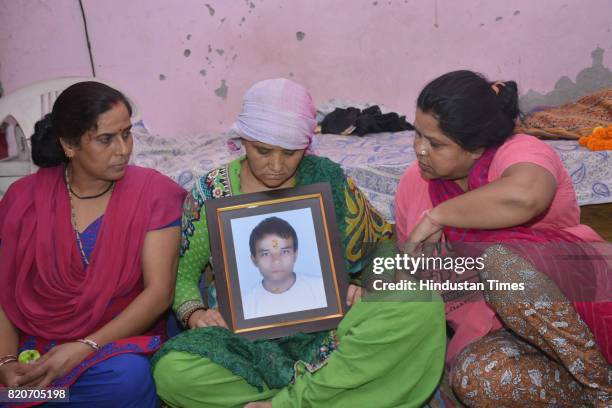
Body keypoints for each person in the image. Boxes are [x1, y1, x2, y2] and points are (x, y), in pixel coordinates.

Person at [152, 78, 446, 407]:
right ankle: (327, 392)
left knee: (421, 305)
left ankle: (291, 400)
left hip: (331, 332)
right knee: (172, 373)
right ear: (243, 139)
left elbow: (381, 246)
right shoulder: (211, 191)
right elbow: (182, 275)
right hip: (244, 343)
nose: (276, 166)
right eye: (262, 150)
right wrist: (196, 314)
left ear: (306, 146)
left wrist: (369, 287)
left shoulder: (327, 180)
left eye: (290, 153)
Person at [394, 70, 612, 406]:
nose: (419, 150)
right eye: (417, 134)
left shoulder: (521, 153)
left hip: (578, 307)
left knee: (500, 264)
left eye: (435, 143)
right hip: (504, 334)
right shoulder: (414, 183)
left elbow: (525, 197)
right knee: (474, 378)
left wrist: (440, 215)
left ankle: (603, 389)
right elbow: (409, 279)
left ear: (476, 146)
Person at [0, 82, 186, 407]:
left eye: (126, 134)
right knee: (16, 391)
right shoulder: (23, 200)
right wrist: (6, 363)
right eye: (106, 139)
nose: (123, 149)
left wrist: (84, 347)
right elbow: (4, 293)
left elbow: (159, 294)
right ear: (69, 146)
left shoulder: (153, 194)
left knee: (128, 381)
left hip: (110, 347)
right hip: (36, 345)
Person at [242, 216, 327, 319]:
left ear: (295, 255)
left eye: (284, 252)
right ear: (254, 260)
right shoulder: (245, 307)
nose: (276, 261)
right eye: (265, 254)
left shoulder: (323, 289)